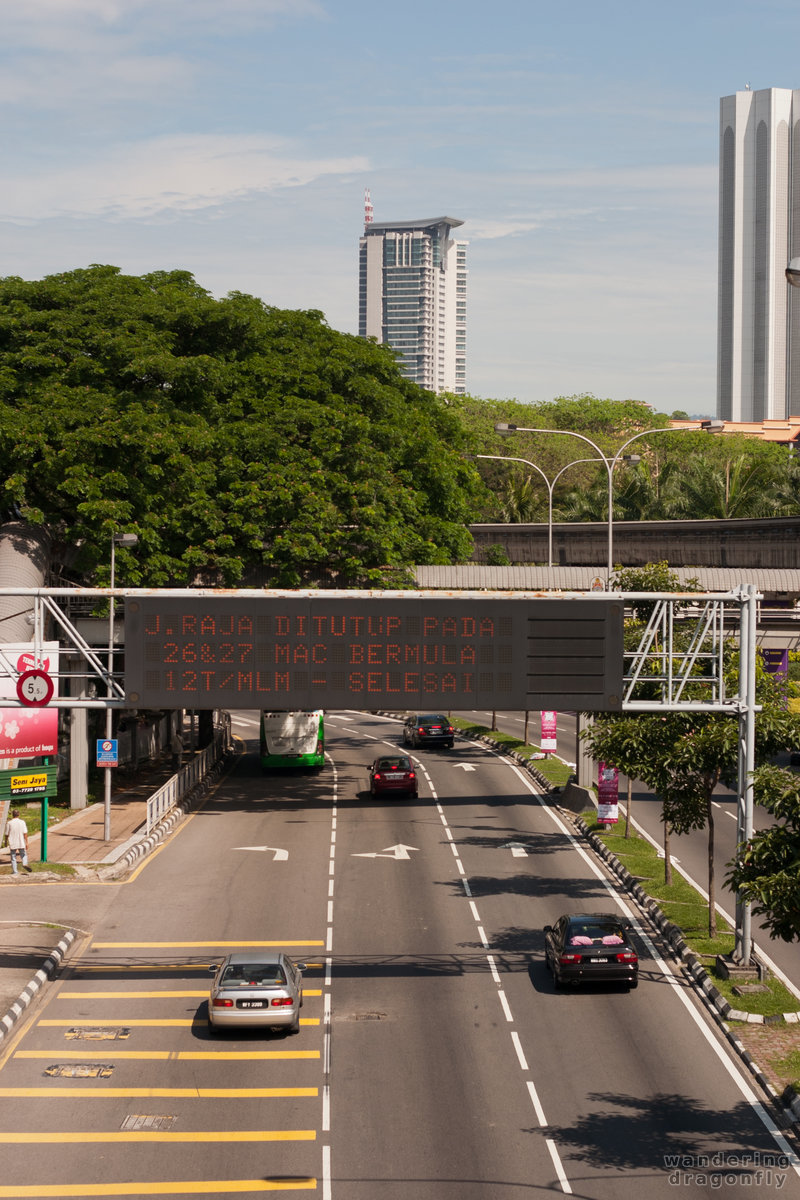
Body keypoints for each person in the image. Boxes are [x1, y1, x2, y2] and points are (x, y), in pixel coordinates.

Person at [5, 810, 32, 874]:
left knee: (13, 857)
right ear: (18, 814)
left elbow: (6, 834)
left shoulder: (9, 823)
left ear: (12, 815)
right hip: (21, 841)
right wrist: (27, 842)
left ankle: (15, 871)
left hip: (12, 842)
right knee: (23, 854)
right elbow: (25, 833)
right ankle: (25, 863)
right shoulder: (22, 822)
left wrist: (5, 842)